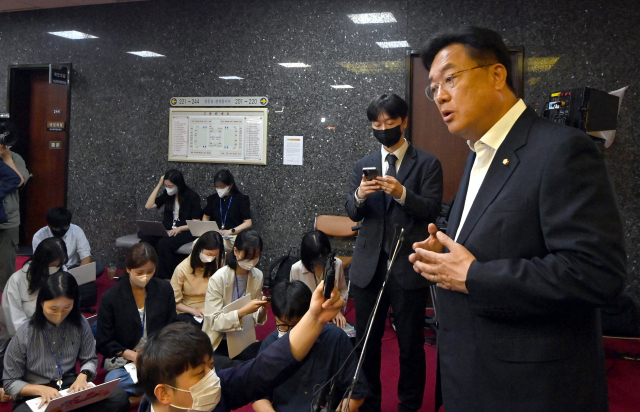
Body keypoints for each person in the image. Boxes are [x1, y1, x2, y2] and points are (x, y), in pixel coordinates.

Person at [410, 27, 627, 412]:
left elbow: (597, 273)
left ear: (496, 75)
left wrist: (473, 276)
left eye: (450, 78)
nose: (439, 95)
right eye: (433, 87)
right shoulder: (480, 153)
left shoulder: (561, 150)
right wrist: (445, 255)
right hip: (472, 376)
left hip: (530, 389)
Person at [344, 93, 443, 412]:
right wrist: (359, 195)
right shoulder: (363, 164)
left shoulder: (427, 163)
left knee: (410, 346)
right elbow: (352, 213)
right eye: (376, 124)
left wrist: (402, 194)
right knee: (366, 343)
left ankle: (409, 406)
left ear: (404, 121)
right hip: (367, 268)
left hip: (407, 266)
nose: (383, 128)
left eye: (389, 123)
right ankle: (369, 403)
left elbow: (431, 210)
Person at [136, 281, 344, 412]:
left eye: (211, 366)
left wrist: (315, 318)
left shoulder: (215, 390)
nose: (212, 378)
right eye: (200, 373)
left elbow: (266, 367)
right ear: (164, 394)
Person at [2, 272, 129, 412]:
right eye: (53, 309)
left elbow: (90, 359)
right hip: (36, 393)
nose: (59, 314)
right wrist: (40, 389)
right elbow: (10, 382)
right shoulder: (25, 332)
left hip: (69, 386)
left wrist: (83, 376)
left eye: (66, 307)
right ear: (41, 303)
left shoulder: (80, 323)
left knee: (118, 395)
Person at [252, 280, 368, 412]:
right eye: (284, 325)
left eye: (299, 325)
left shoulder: (336, 338)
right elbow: (258, 396)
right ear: (276, 319)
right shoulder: (270, 344)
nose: (293, 333)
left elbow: (356, 393)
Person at [96, 243, 176, 401]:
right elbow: (104, 342)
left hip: (158, 355)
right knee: (113, 382)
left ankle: (140, 397)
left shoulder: (164, 289)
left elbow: (172, 327)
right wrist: (132, 355)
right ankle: (156, 393)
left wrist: (157, 353)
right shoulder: (111, 298)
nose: (145, 277)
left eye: (150, 272)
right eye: (139, 272)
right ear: (128, 269)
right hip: (127, 359)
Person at [202, 229, 267, 368]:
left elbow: (253, 318)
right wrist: (242, 312)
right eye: (248, 256)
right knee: (231, 367)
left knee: (262, 359)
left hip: (242, 338)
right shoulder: (219, 278)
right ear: (236, 251)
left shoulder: (258, 276)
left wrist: (261, 311)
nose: (252, 261)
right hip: (219, 340)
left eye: (256, 256)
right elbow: (214, 321)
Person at [1, 237, 68, 352]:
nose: (55, 270)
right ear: (41, 263)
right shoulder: (17, 281)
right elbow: (15, 325)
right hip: (26, 341)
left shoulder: (61, 271)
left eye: (58, 265)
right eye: (52, 265)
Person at [143, 169, 202, 279]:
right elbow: (149, 205)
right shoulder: (168, 194)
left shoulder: (192, 196)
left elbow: (196, 222)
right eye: (166, 185)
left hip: (186, 231)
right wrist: (159, 185)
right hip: (169, 229)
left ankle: (166, 277)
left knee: (164, 244)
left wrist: (180, 229)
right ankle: (144, 270)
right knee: (145, 237)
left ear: (178, 184)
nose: (168, 188)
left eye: (170, 186)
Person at [290, 230, 348, 327]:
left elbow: (343, 291)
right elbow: (294, 301)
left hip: (330, 315)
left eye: (323, 256)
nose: (320, 261)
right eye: (316, 258)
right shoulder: (296, 269)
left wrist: (335, 308)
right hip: (307, 317)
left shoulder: (337, 264)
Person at [171, 230, 225, 327]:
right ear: (199, 249)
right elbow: (175, 302)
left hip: (213, 308)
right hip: (190, 311)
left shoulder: (218, 263)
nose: (212, 258)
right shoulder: (182, 269)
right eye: (209, 254)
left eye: (215, 255)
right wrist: (194, 311)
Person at [32, 206, 104, 278]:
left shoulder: (76, 231)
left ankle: (72, 280)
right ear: (49, 225)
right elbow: (39, 261)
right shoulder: (39, 236)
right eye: (57, 228)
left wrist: (82, 273)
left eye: (65, 228)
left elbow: (85, 256)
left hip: (72, 269)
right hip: (51, 271)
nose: (61, 230)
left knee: (99, 267)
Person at [0, 121, 29, 292]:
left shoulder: (16, 158)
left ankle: (6, 309)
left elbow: (19, 182)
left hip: (8, 220)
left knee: (6, 267)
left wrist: (7, 158)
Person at [202, 169, 252, 250]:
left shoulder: (240, 199)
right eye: (217, 187)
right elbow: (206, 216)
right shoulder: (213, 199)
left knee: (216, 247)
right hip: (216, 235)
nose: (219, 189)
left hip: (233, 236)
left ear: (230, 185)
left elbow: (248, 222)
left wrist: (230, 231)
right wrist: (209, 230)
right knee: (197, 244)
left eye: (222, 187)